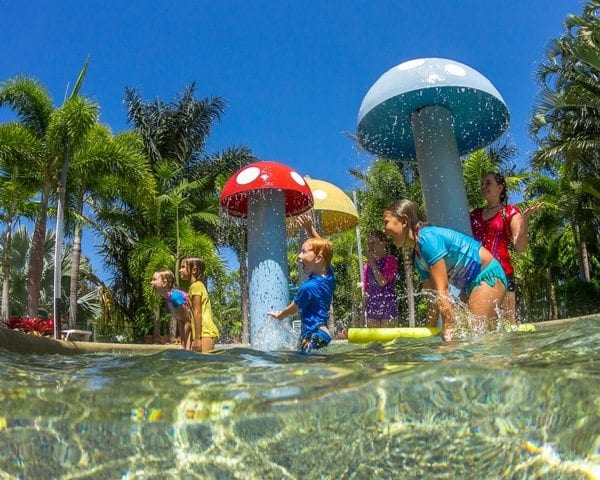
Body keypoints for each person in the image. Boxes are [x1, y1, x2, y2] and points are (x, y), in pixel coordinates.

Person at [384, 199, 507, 341]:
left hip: (486, 274)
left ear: (404, 221)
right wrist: (427, 335)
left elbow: (442, 290)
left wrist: (448, 327)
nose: (384, 229)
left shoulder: (427, 239)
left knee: (476, 337)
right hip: (470, 287)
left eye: (386, 222)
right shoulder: (418, 258)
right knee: (473, 336)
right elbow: (432, 299)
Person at [470, 172, 543, 324]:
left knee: (508, 326)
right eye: (482, 183)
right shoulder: (474, 215)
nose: (483, 187)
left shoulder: (510, 212)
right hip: (477, 273)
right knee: (480, 325)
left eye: (488, 183)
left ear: (500, 188)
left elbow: (520, 247)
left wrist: (525, 219)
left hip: (503, 275)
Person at [268, 214, 336, 353]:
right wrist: (310, 228)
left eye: (303, 252)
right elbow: (325, 250)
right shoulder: (329, 275)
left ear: (317, 258)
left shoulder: (308, 287)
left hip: (314, 335)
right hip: (322, 334)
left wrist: (279, 315)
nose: (299, 256)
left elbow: (293, 308)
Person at [179, 257, 219, 352]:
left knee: (204, 364)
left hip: (205, 333)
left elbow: (198, 312)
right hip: (204, 332)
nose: (180, 270)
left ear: (194, 270)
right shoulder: (197, 286)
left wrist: (197, 339)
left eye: (183, 267)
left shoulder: (195, 286)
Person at [363, 231, 398, 327]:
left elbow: (382, 281)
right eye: (368, 244)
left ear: (384, 243)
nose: (370, 247)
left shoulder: (391, 261)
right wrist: (362, 312)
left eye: (373, 243)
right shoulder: (366, 266)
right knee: (373, 342)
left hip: (388, 309)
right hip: (372, 309)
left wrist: (372, 263)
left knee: (389, 341)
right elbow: (366, 291)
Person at [150, 269, 192, 350]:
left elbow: (188, 322)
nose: (151, 283)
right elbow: (180, 322)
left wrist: (187, 346)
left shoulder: (175, 297)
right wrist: (183, 345)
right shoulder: (169, 299)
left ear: (164, 283)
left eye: (154, 279)